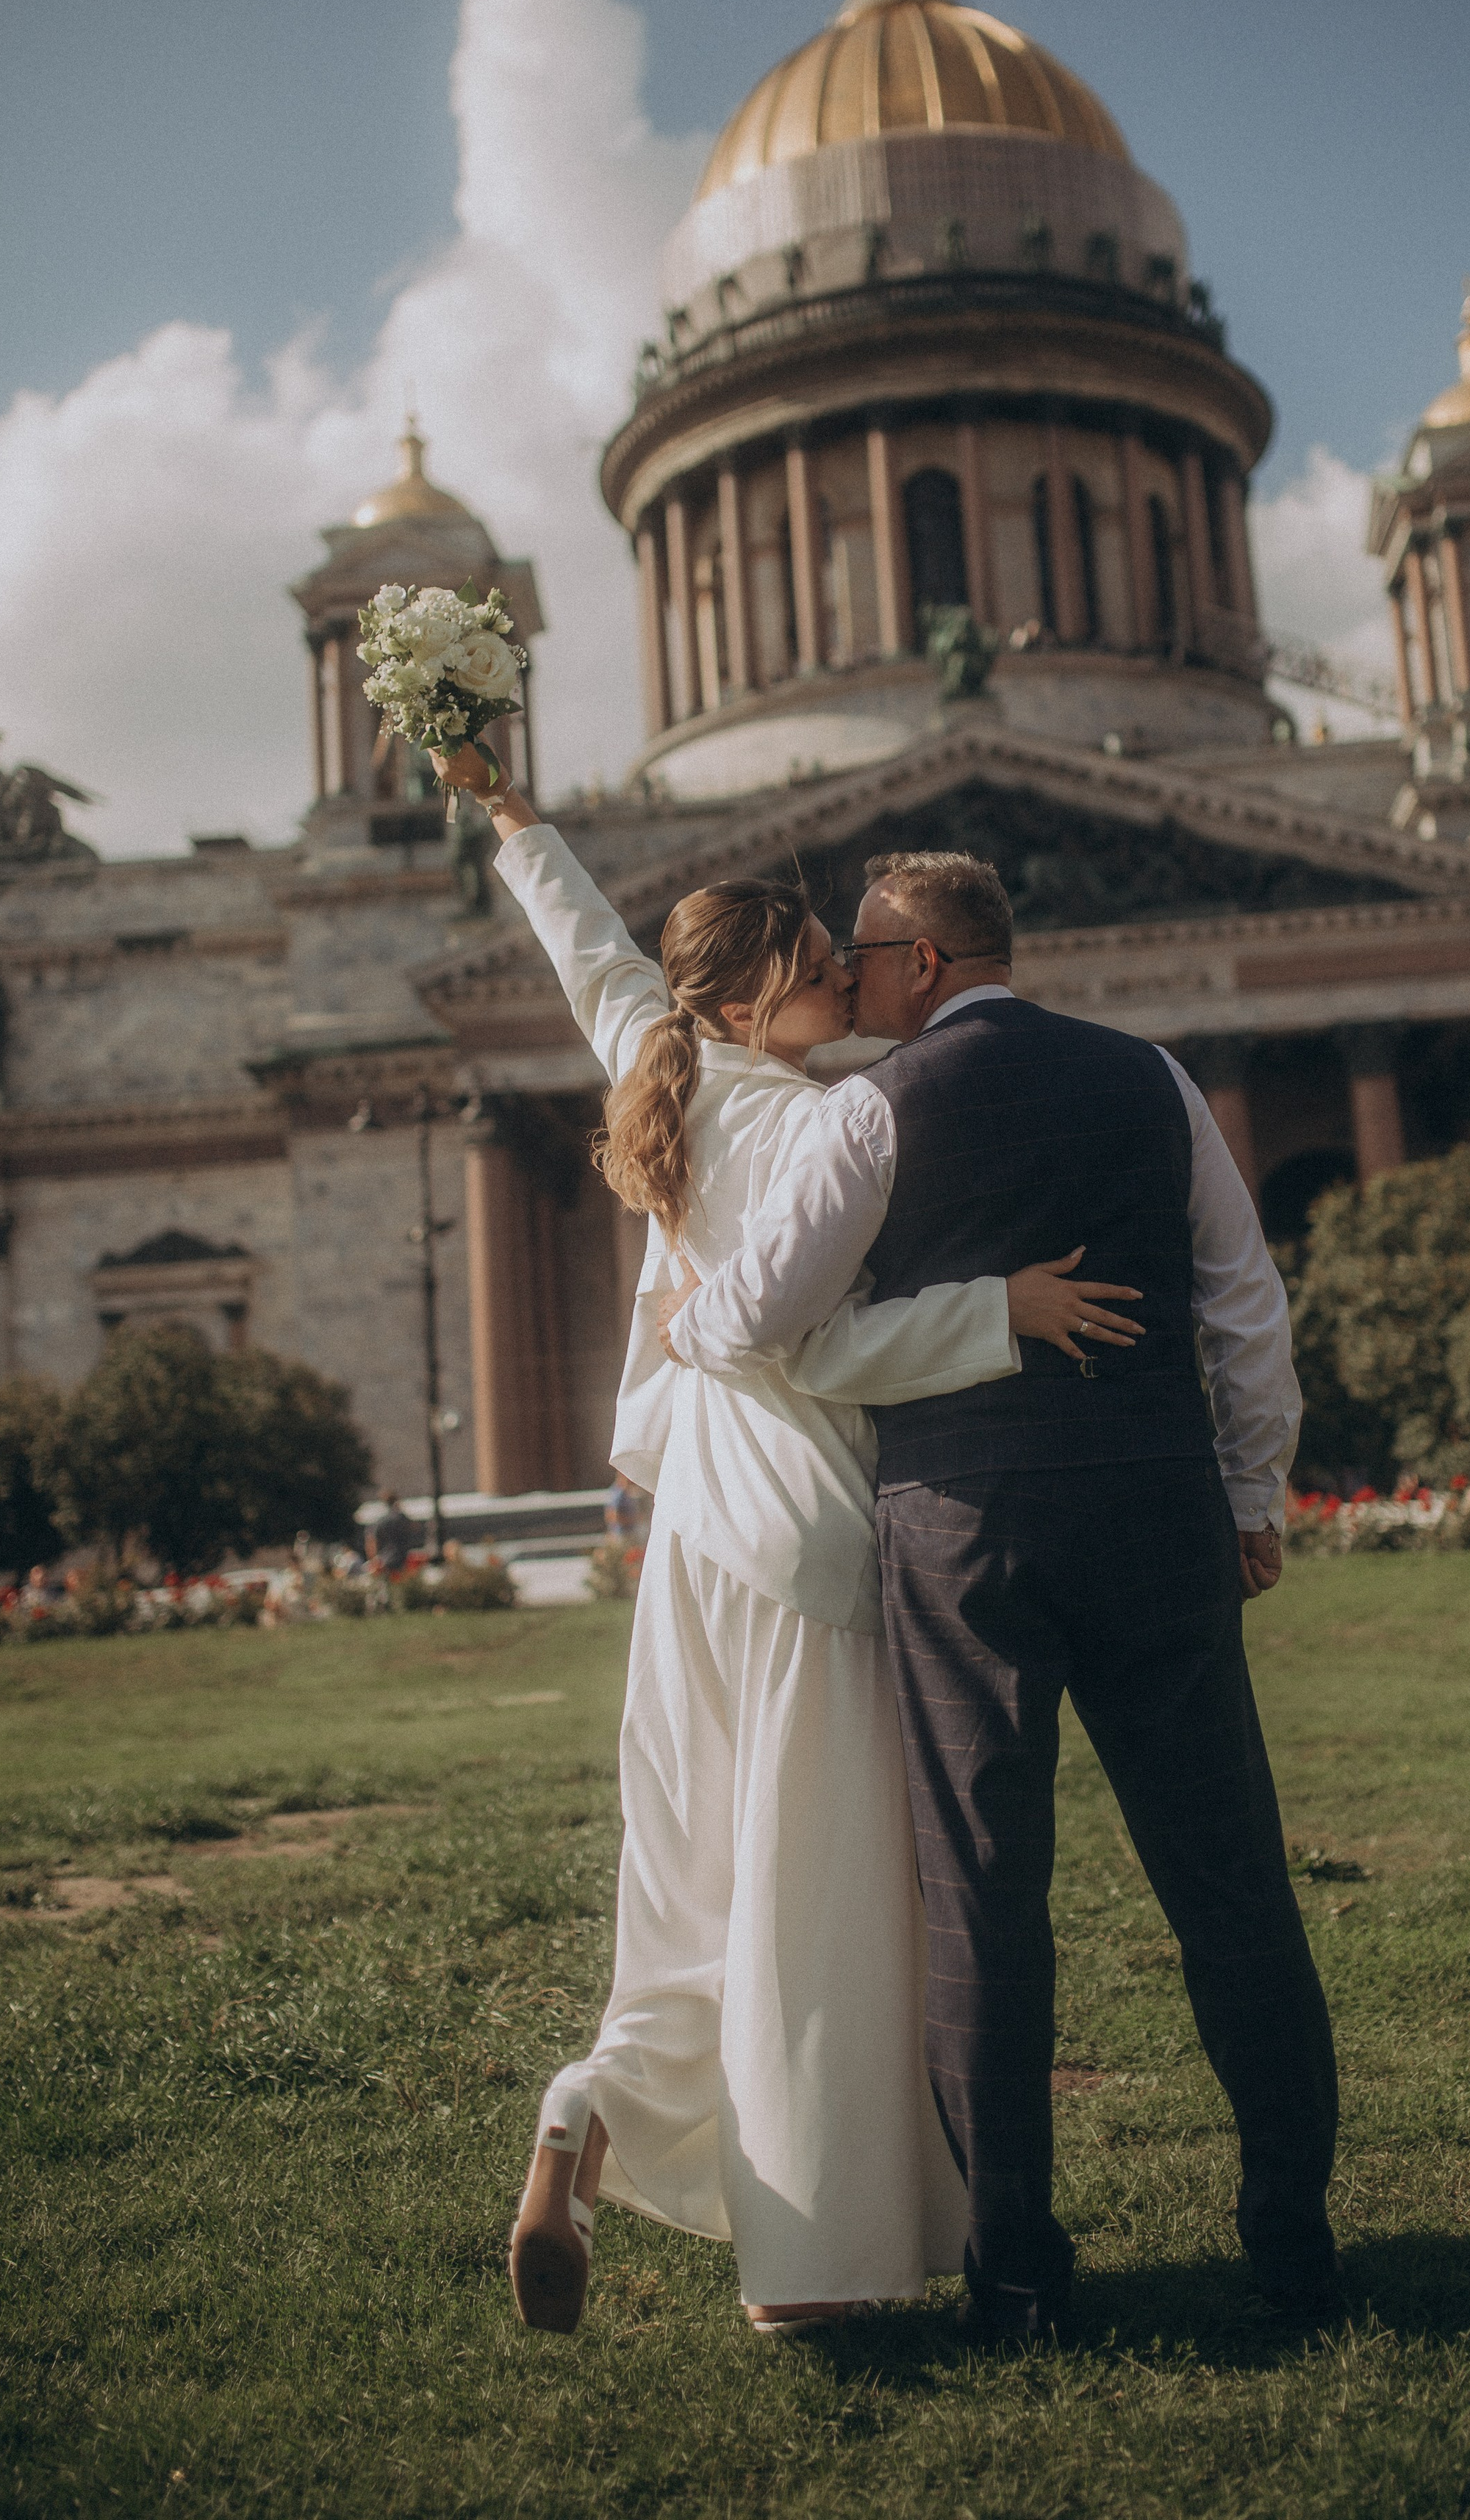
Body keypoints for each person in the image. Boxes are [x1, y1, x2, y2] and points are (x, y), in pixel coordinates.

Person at [431, 744, 1139, 2338]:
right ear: (754, 1009)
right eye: (823, 965)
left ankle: (580, 2113)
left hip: (684, 1538)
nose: (852, 974)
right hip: (812, 1547)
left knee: (687, 1882)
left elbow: (596, 958)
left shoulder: (659, 1067)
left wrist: (506, 811)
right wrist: (996, 1314)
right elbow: (802, 1351)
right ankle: (814, 2275)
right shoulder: (826, 1128)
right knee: (817, 1906)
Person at [664, 847, 1340, 2341]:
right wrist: (1248, 1496)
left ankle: (1018, 2278)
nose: (849, 980)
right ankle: (1291, 2246)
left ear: (917, 961)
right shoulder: (1154, 1079)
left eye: (862, 954)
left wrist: (686, 1301)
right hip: (1157, 1516)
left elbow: (750, 1319)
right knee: (1231, 1892)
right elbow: (1242, 1304)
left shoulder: (867, 1112)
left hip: (961, 1538)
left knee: (982, 1908)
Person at [368, 1493, 415, 1576]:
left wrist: (373, 1560)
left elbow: (372, 1541)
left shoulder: (380, 1520)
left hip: (384, 1559)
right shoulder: (402, 1518)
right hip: (402, 1558)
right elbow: (414, 1528)